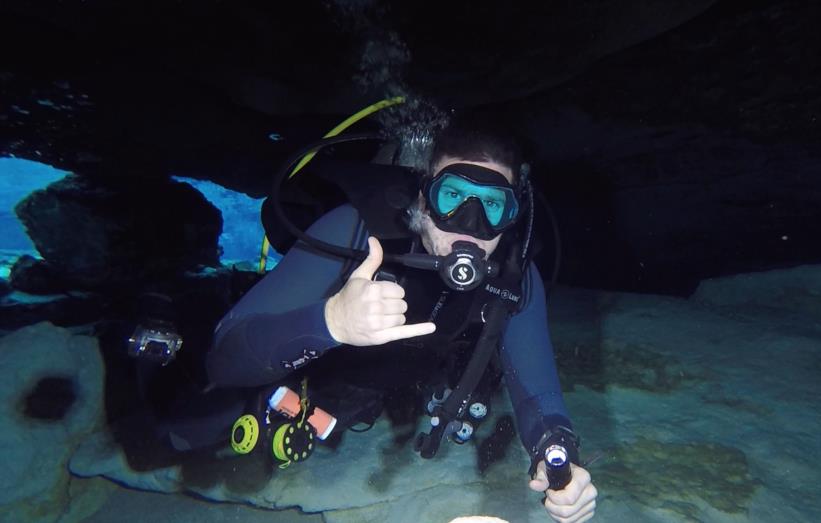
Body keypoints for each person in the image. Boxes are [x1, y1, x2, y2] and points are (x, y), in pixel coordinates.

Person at [206, 112, 598, 522]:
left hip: (391, 390)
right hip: (315, 379)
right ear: (423, 198)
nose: (471, 225)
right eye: (453, 197)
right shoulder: (354, 231)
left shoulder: (513, 275)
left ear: (512, 216)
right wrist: (331, 322)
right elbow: (222, 358)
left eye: (492, 206)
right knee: (190, 428)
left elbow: (538, 392)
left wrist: (558, 453)